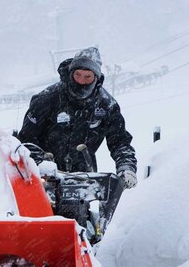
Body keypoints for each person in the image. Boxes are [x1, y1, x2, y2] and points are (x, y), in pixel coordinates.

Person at [17, 46, 138, 188]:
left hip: (84, 179)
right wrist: (41, 165)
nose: (81, 81)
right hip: (42, 177)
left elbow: (119, 142)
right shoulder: (47, 99)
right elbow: (27, 139)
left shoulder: (107, 105)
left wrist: (126, 166)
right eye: (78, 75)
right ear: (70, 73)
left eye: (88, 77)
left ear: (96, 78)